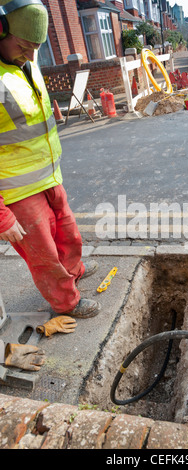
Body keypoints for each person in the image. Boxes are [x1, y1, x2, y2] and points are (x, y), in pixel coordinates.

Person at [0, 1, 100, 370]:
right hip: (16, 191)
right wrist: (2, 217)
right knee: (43, 254)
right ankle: (65, 301)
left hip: (48, 176)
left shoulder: (27, 61)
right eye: (23, 45)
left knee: (68, 234)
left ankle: (72, 272)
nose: (29, 54)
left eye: (34, 48)